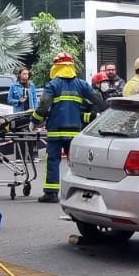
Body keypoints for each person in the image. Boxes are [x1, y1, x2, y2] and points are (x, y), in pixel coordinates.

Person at [36, 52, 104, 203]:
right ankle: (82, 192)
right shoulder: (81, 84)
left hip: (55, 131)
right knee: (76, 162)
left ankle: (51, 193)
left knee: (53, 160)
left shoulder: (53, 85)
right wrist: (105, 110)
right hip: (74, 131)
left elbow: (43, 105)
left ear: (57, 67)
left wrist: (34, 119)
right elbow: (97, 98)